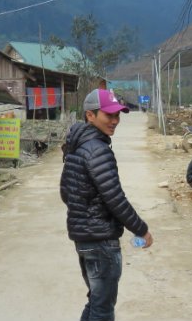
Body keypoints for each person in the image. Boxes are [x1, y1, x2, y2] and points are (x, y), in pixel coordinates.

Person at [60, 88, 153, 321]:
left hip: (84, 240)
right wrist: (141, 229)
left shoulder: (77, 146)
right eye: (108, 115)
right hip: (101, 241)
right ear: (90, 115)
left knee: (96, 301)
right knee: (103, 309)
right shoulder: (97, 150)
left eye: (117, 115)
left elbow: (66, 192)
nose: (115, 121)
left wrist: (87, 205)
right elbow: (115, 199)